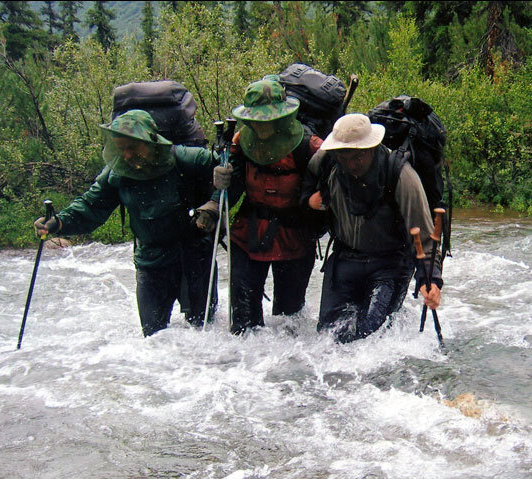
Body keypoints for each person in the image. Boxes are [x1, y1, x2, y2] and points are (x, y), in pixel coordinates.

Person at [33, 109, 221, 337]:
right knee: (152, 338)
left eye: (132, 147)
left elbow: (230, 178)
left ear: (151, 142)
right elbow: (91, 206)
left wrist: (213, 204)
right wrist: (58, 223)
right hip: (151, 260)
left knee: (205, 331)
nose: (127, 155)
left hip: (194, 257)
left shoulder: (189, 160)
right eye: (121, 149)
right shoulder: (116, 174)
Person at [192, 77, 324, 335]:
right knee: (242, 321)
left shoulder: (308, 145)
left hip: (294, 235)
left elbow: (330, 180)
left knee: (288, 321)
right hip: (249, 233)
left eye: (268, 120)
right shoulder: (242, 140)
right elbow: (235, 183)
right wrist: (217, 195)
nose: (261, 127)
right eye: (257, 120)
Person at [299, 113, 443, 343]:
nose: (350, 164)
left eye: (358, 157)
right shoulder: (326, 161)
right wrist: (309, 200)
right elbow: (305, 187)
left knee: (370, 339)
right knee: (328, 339)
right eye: (344, 158)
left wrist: (431, 280)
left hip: (390, 263)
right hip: (345, 259)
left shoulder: (401, 176)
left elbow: (425, 237)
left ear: (372, 148)